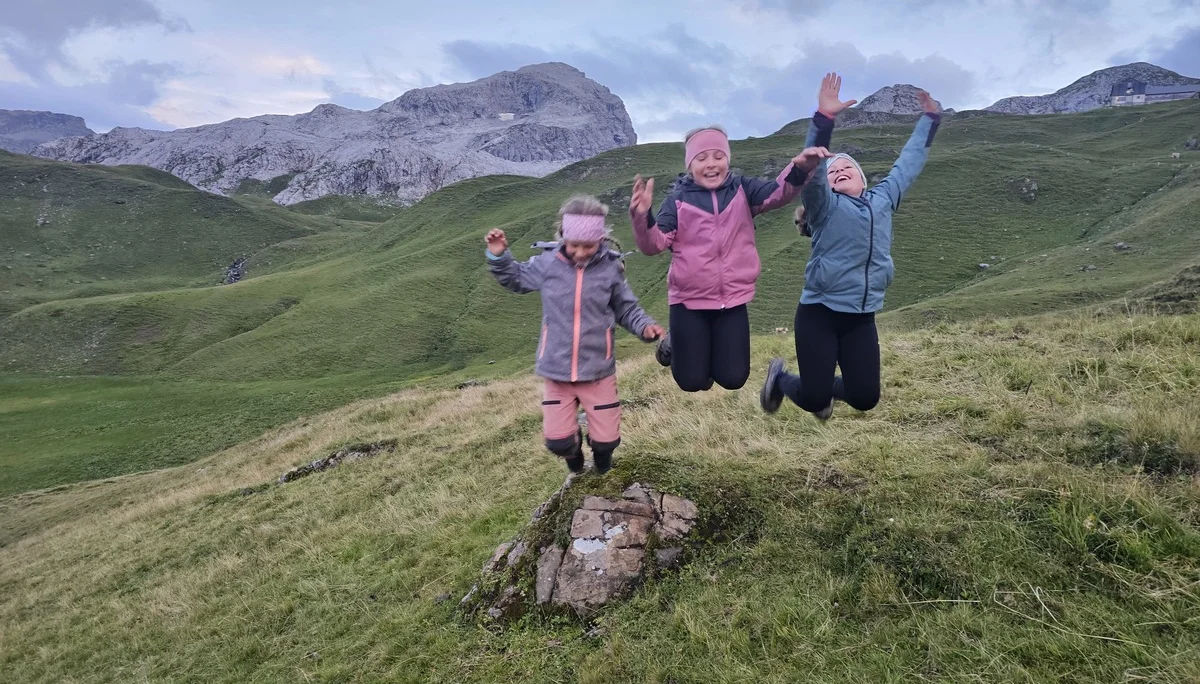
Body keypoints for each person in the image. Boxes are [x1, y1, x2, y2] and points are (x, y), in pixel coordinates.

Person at [761, 72, 942, 419]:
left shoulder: (884, 198)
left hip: (861, 317)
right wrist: (823, 120)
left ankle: (819, 387)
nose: (840, 171)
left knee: (864, 397)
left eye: (848, 167)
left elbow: (909, 162)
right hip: (820, 315)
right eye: (834, 170)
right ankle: (781, 379)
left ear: (863, 177)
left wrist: (930, 119)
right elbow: (815, 168)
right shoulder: (825, 207)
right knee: (814, 398)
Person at [629, 125, 829, 393]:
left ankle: (697, 347)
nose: (711, 164)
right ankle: (676, 344)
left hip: (731, 299)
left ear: (727, 159)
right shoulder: (677, 201)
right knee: (692, 382)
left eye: (718, 157)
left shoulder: (742, 190)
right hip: (689, 301)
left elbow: (778, 193)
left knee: (733, 379)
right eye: (701, 159)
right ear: (690, 165)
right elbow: (654, 245)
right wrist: (642, 217)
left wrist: (801, 169)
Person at [486, 195, 665, 474]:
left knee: (607, 441)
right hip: (556, 370)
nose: (581, 252)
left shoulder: (610, 268)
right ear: (563, 237)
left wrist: (645, 327)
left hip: (598, 370)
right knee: (558, 442)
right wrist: (499, 257)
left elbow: (626, 309)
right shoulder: (548, 263)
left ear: (601, 240)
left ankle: (604, 468)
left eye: (589, 245)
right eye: (574, 245)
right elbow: (516, 278)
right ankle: (576, 465)